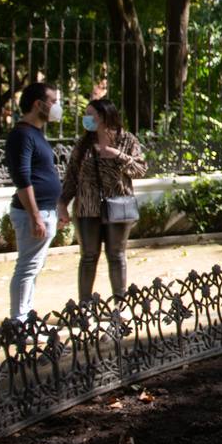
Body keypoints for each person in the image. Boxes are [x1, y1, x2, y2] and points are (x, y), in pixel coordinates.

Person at [57, 97, 146, 301]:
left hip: (119, 206)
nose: (86, 119)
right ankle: (84, 305)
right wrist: (62, 203)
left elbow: (140, 169)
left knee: (116, 256)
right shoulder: (84, 144)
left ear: (105, 116)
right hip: (87, 209)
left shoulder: (127, 140)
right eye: (86, 114)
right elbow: (71, 176)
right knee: (88, 257)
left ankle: (119, 304)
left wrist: (117, 156)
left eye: (91, 115)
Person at [5, 82, 63, 323]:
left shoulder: (36, 133)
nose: (57, 107)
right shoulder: (22, 134)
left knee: (33, 267)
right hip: (33, 213)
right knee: (27, 267)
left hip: (45, 211)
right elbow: (22, 178)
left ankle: (26, 314)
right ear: (38, 104)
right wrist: (36, 216)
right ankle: (19, 320)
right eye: (53, 101)